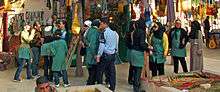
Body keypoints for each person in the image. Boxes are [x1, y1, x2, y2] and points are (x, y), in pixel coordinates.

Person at [96, 16, 118, 91]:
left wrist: (98, 55)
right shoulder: (114, 33)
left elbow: (101, 46)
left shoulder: (104, 33)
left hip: (105, 55)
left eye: (101, 24)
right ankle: (112, 88)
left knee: (100, 71)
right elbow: (116, 44)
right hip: (112, 55)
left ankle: (99, 87)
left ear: (105, 24)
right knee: (112, 72)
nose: (100, 25)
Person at [129, 19, 148, 92]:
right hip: (138, 53)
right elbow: (142, 44)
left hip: (133, 52)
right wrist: (148, 48)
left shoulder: (134, 31)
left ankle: (136, 87)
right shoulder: (142, 32)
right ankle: (136, 89)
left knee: (135, 70)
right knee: (138, 71)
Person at [84, 19, 100, 85]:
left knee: (91, 71)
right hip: (93, 55)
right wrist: (95, 55)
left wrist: (87, 44)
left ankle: (90, 83)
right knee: (93, 72)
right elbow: (93, 45)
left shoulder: (89, 30)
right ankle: (90, 85)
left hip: (88, 53)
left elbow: (85, 40)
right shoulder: (96, 32)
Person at [126, 21, 137, 85]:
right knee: (132, 66)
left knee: (132, 66)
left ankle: (131, 79)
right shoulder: (130, 33)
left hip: (131, 50)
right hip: (131, 50)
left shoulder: (133, 32)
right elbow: (127, 43)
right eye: (134, 24)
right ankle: (131, 79)